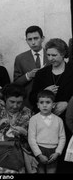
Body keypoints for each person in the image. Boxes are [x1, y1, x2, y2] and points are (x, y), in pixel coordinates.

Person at [30, 38, 73, 173]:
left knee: (65, 159)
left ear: (63, 53)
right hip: (45, 124)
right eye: (48, 55)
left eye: (54, 55)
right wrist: (45, 92)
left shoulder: (72, 71)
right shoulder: (42, 74)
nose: (51, 58)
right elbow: (31, 98)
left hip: (67, 122)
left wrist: (67, 104)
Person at [0, 84, 33, 173]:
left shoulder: (28, 113)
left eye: (19, 102)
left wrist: (25, 133)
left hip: (20, 159)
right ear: (5, 99)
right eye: (12, 102)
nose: (15, 106)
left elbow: (38, 141)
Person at [28, 90, 66, 173]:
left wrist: (58, 152)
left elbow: (62, 138)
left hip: (54, 151)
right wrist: (39, 154)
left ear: (53, 105)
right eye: (41, 102)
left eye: (48, 102)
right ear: (38, 105)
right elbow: (31, 138)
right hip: (39, 149)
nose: (44, 105)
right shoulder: (34, 119)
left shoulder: (59, 120)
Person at [13, 25, 48, 109]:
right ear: (26, 40)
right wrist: (28, 76)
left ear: (42, 38)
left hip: (49, 100)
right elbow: (16, 83)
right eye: (29, 39)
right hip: (28, 102)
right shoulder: (20, 58)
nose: (33, 42)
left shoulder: (51, 55)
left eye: (36, 38)